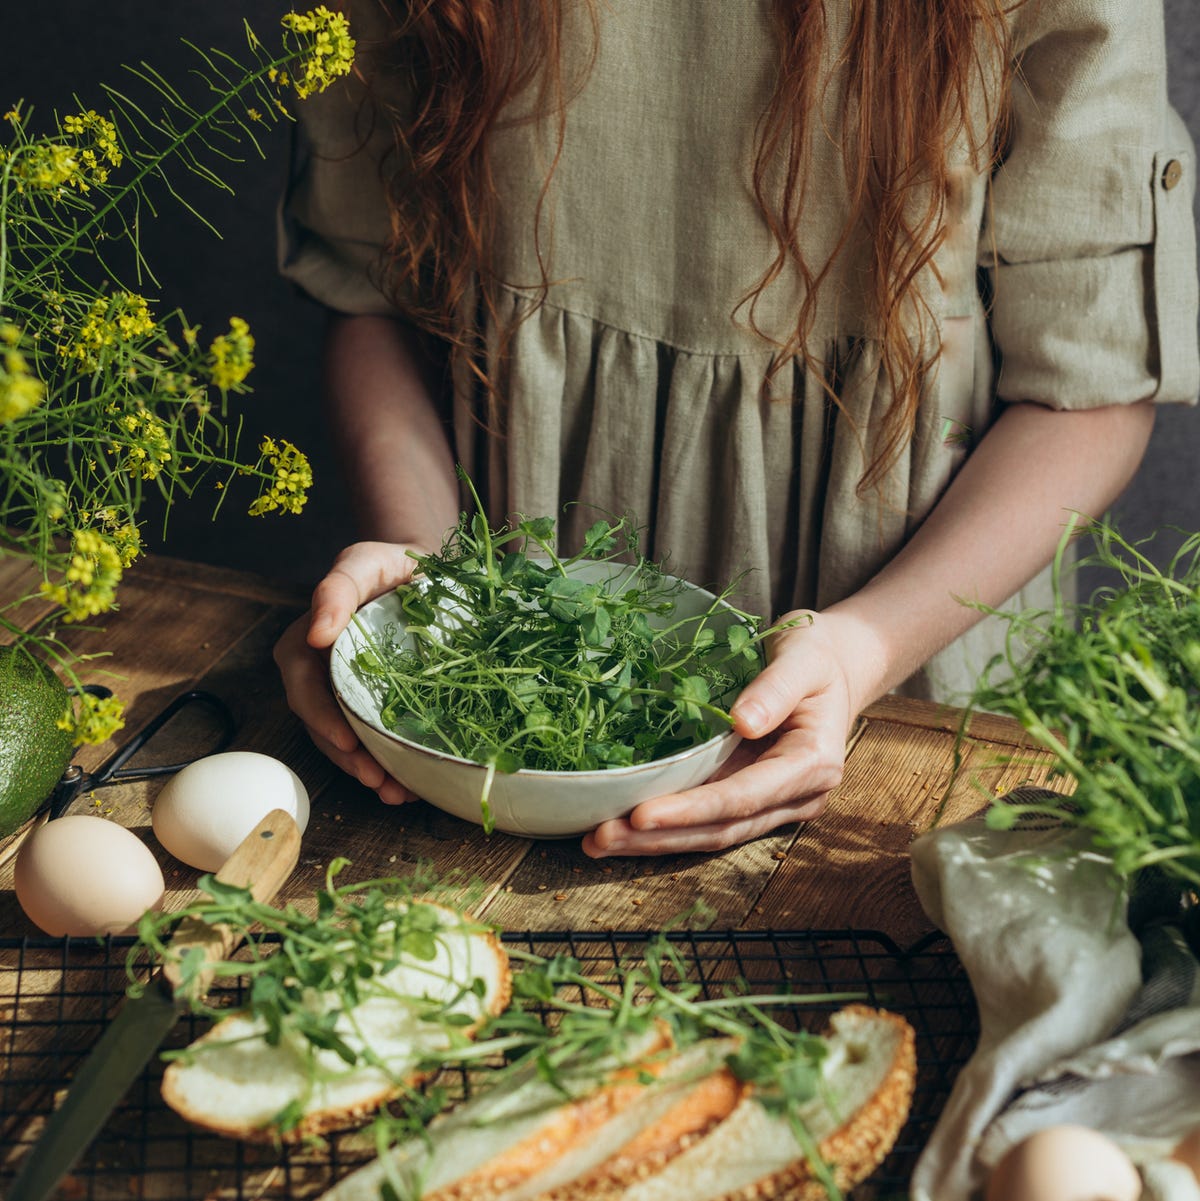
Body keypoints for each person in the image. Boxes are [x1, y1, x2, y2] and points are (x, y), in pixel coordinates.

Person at [274, 0, 1199, 857]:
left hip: (905, 672)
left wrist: (859, 650)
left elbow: (1089, 381)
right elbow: (373, 291)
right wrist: (434, 594)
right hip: (500, 680)